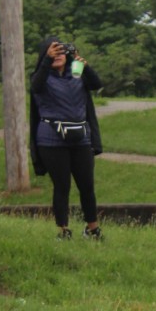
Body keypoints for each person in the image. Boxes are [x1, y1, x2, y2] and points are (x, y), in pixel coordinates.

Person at [29, 37, 104, 240]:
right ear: (45, 55)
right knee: (62, 186)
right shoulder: (41, 76)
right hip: (52, 139)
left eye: (61, 51)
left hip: (80, 138)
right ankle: (63, 230)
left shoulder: (76, 72)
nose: (58, 55)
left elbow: (96, 84)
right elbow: (35, 87)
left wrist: (84, 65)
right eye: (53, 51)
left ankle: (92, 229)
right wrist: (47, 60)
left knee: (87, 185)